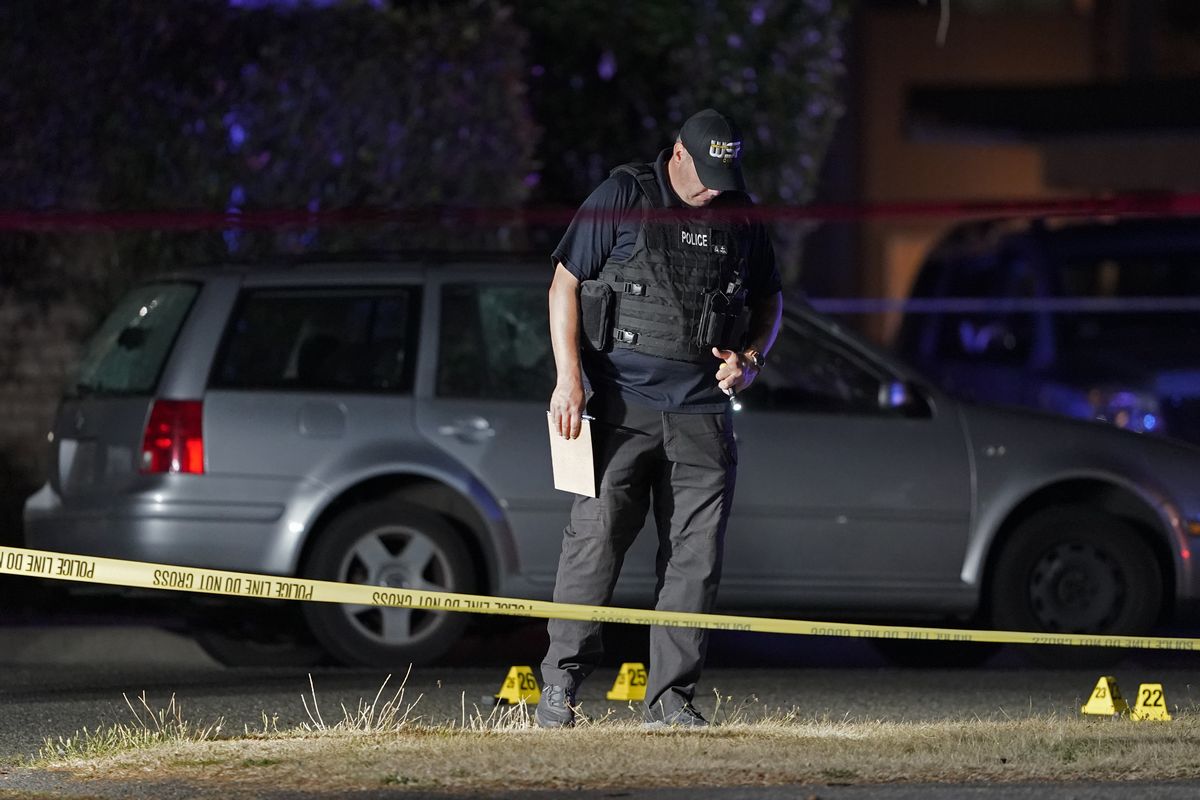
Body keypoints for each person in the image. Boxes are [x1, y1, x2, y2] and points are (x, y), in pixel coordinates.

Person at [538, 108, 783, 729]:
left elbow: (770, 299)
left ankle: (671, 700)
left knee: (694, 562)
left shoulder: (741, 214)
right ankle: (559, 689)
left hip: (702, 413)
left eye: (722, 178)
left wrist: (751, 358)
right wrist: (570, 379)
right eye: (703, 175)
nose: (711, 190)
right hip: (619, 405)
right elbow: (564, 283)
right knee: (592, 548)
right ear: (676, 154)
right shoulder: (623, 194)